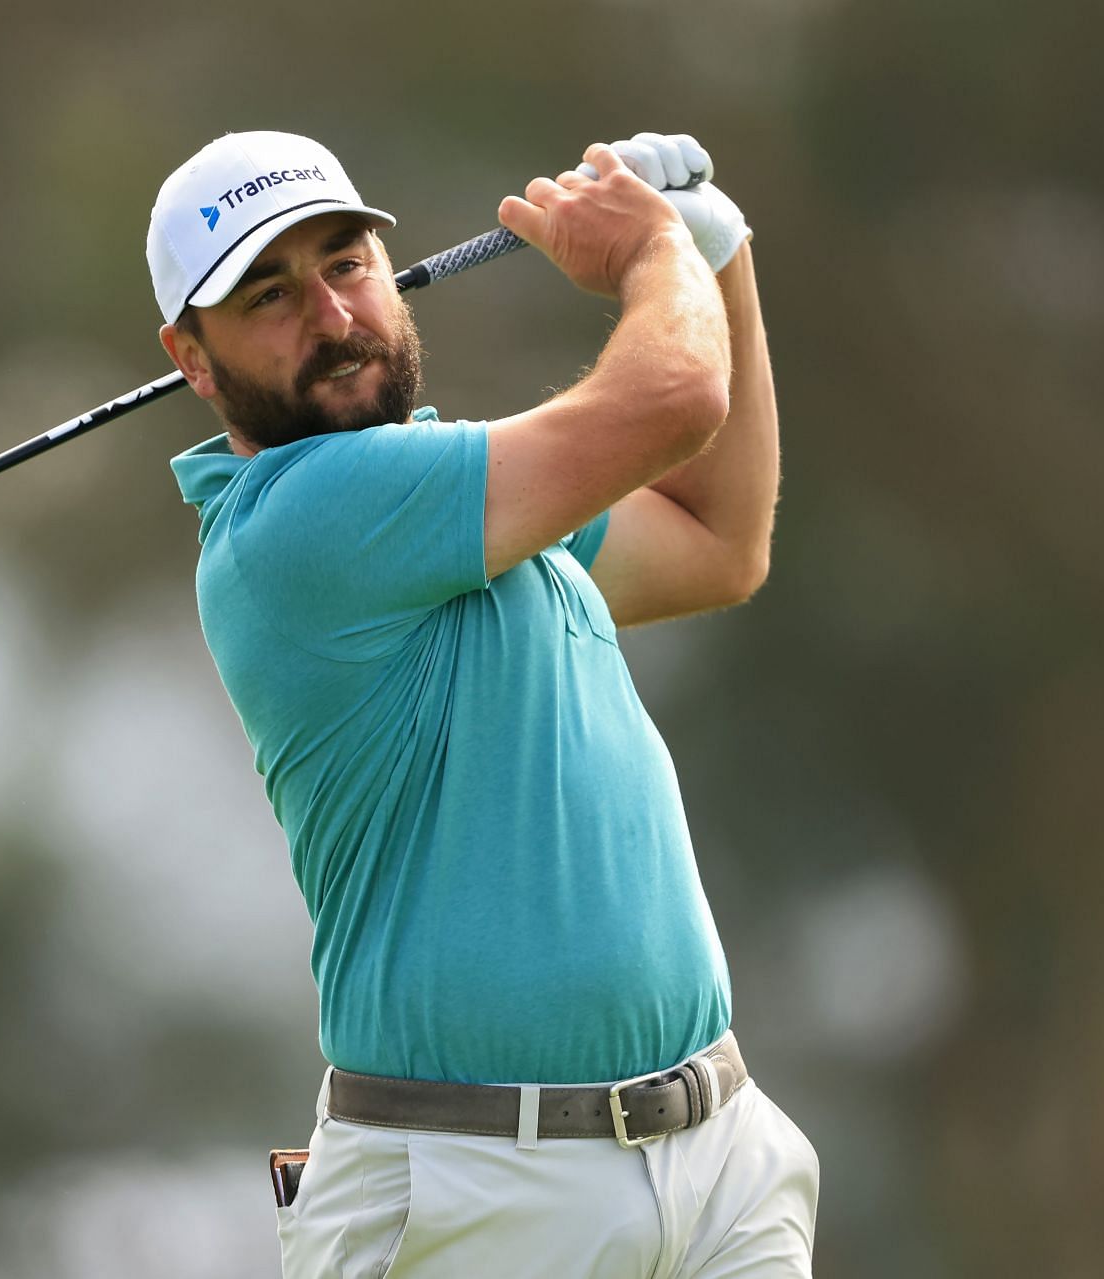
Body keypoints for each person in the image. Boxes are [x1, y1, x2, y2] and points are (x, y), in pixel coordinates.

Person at [148, 129, 815, 1277]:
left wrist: (722, 256)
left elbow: (719, 542)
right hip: (472, 1198)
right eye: (269, 294)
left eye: (346, 264)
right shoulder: (298, 523)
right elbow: (674, 395)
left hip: (718, 1162)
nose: (333, 315)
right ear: (192, 359)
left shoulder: (464, 495)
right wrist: (656, 253)